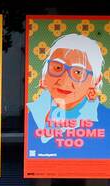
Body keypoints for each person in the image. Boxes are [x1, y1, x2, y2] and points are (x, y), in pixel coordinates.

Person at [26, 32, 110, 160]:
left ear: (95, 81)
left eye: (78, 72)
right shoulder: (31, 115)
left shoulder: (104, 118)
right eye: (57, 67)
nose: (63, 81)